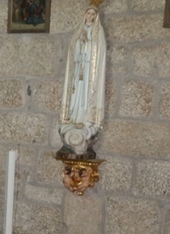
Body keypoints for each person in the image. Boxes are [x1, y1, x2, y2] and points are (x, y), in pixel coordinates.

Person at [58, 7, 106, 158]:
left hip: (90, 73)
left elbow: (99, 49)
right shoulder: (79, 31)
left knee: (86, 95)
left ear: (96, 16)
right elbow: (73, 49)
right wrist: (81, 42)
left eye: (93, 14)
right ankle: (74, 117)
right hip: (78, 69)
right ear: (85, 14)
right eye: (88, 13)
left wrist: (88, 43)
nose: (90, 16)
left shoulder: (98, 32)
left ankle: (85, 118)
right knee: (76, 94)